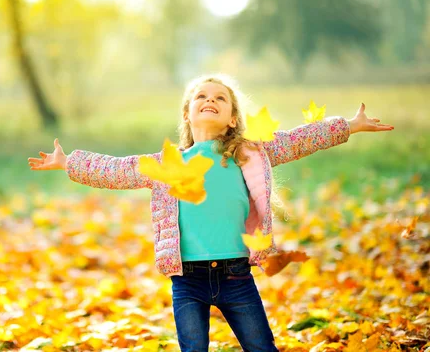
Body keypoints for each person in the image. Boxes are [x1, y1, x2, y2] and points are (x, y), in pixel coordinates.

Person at [27, 74, 394, 352]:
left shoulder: (249, 154)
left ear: (233, 118)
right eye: (201, 96)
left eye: (220, 98)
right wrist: (69, 162)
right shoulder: (166, 165)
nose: (210, 100)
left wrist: (348, 125)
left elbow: (299, 138)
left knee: (262, 348)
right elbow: (117, 169)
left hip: (236, 276)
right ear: (187, 114)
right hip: (186, 280)